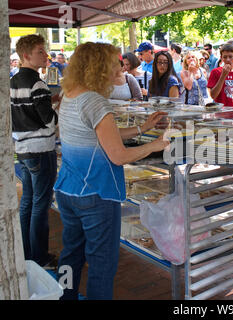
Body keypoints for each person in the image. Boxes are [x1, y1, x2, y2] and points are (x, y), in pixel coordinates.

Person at [54, 42, 169, 300]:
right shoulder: (95, 101)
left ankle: (65, 295)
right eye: (114, 62)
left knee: (70, 252)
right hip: (96, 194)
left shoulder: (69, 94)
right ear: (99, 67)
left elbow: (100, 136)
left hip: (68, 189)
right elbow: (118, 156)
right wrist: (157, 144)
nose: (120, 65)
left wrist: (142, 129)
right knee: (102, 263)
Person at [10, 34, 59, 269]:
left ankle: (27, 252)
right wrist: (58, 110)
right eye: (40, 51)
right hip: (41, 149)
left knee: (28, 201)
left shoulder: (12, 82)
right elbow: (48, 121)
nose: (46, 55)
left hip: (23, 148)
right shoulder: (38, 83)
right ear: (26, 55)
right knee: (40, 203)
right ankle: (39, 256)